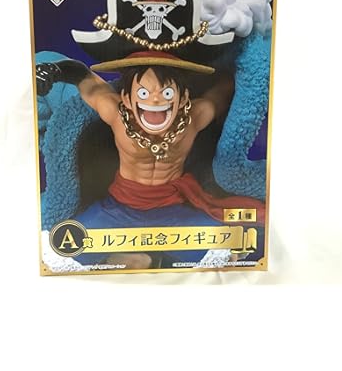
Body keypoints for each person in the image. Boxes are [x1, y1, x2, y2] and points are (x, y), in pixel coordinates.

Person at [37, 51, 265, 269]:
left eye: (167, 94)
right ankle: (139, 258)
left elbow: (223, 91)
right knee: (59, 252)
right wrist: (56, 71)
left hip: (175, 211)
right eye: (144, 94)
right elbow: (85, 78)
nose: (155, 100)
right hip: (116, 209)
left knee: (227, 251)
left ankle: (147, 259)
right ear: (127, 99)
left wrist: (247, 62)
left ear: (183, 98)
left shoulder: (195, 116)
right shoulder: (116, 114)